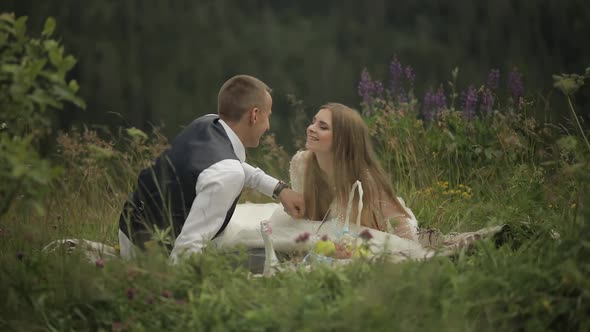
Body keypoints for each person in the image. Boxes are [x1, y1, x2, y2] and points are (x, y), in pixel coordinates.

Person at [118, 75, 304, 260]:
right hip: (151, 255)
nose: (268, 126)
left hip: (130, 231)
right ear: (255, 115)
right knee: (267, 257)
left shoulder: (206, 123)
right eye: (268, 115)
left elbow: (228, 167)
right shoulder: (228, 173)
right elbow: (188, 247)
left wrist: (279, 189)